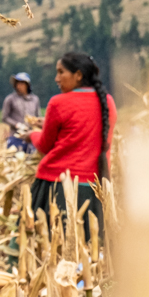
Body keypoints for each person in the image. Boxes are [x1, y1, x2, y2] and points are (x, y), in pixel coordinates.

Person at [32, 50, 115, 234]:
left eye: (61, 72)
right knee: (92, 247)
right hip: (95, 188)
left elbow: (44, 146)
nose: (56, 78)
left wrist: (32, 134)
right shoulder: (107, 102)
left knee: (42, 243)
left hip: (56, 185)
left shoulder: (58, 103)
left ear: (78, 75)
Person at [0, 72, 41, 147]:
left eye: (22, 84)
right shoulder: (10, 99)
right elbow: (4, 117)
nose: (19, 86)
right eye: (17, 84)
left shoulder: (35, 99)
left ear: (27, 85)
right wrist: (16, 124)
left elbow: (38, 116)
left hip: (30, 137)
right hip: (15, 136)